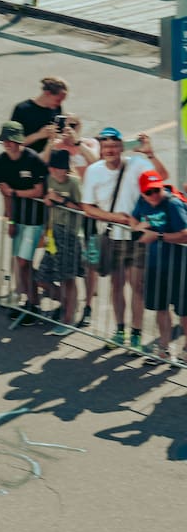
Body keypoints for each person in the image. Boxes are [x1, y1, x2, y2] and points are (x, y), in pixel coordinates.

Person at [81, 127, 161, 348]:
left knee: (137, 286)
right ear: (101, 149)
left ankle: (135, 333)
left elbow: (161, 178)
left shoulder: (137, 164)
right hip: (111, 237)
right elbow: (87, 207)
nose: (110, 151)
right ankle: (119, 331)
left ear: (120, 147)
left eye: (114, 146)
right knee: (117, 285)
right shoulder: (94, 171)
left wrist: (150, 153)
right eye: (106, 146)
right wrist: (114, 217)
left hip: (136, 237)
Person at [0, 121, 48, 324]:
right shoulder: (0, 162)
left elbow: (39, 191)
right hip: (19, 218)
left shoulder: (33, 160)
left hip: (35, 219)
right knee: (22, 263)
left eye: (11, 140)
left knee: (24, 262)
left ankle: (35, 303)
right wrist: (11, 220)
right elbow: (4, 194)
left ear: (18, 141)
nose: (7, 144)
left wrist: (15, 193)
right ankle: (31, 303)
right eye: (4, 140)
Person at [48, 116, 100, 326]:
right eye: (64, 126)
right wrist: (51, 140)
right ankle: (67, 303)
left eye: (72, 126)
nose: (68, 130)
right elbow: (47, 165)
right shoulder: (57, 146)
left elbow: (98, 165)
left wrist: (76, 143)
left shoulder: (88, 144)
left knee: (90, 261)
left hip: (88, 211)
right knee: (65, 262)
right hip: (66, 214)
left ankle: (88, 306)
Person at [131, 169, 187, 362]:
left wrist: (159, 236)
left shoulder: (173, 204)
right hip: (155, 264)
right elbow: (133, 219)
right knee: (160, 308)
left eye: (157, 190)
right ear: (142, 193)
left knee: (184, 310)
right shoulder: (141, 202)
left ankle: (186, 350)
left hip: (180, 265)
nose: (154, 195)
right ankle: (164, 349)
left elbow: (185, 234)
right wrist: (138, 226)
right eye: (149, 192)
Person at [41, 149, 86, 335]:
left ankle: (68, 319)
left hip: (70, 234)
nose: (58, 172)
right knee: (43, 277)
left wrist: (61, 200)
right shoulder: (49, 180)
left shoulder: (74, 183)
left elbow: (83, 208)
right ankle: (68, 305)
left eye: (62, 169)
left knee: (68, 277)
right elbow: (45, 200)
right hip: (54, 232)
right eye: (55, 168)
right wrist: (48, 201)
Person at [10, 76, 68, 154]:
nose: (60, 104)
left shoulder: (56, 108)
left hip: (48, 156)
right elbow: (12, 144)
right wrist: (39, 135)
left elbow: (60, 135)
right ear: (47, 93)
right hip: (26, 157)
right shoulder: (22, 109)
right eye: (58, 100)